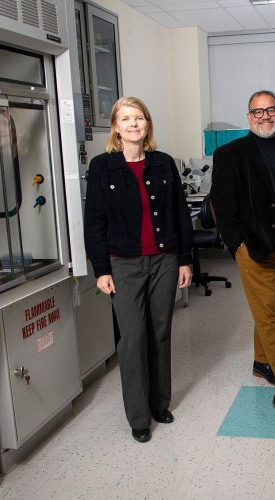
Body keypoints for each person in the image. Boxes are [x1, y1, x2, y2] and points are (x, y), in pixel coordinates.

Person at [83, 96, 193, 443]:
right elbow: (95, 223)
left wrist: (186, 259)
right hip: (124, 264)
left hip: (165, 259)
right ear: (116, 127)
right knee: (132, 338)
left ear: (147, 125)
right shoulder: (103, 167)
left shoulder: (163, 163)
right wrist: (101, 269)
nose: (134, 124)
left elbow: (180, 216)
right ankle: (138, 417)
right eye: (126, 119)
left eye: (140, 118)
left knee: (160, 331)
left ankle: (160, 403)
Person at [210, 90, 275, 409]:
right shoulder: (230, 154)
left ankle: (261, 362)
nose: (265, 117)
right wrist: (237, 244)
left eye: (270, 110)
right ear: (249, 117)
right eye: (258, 112)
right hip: (256, 249)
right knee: (270, 313)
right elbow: (221, 203)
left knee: (271, 309)